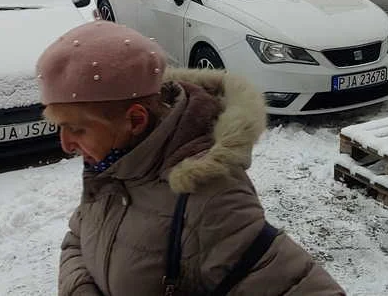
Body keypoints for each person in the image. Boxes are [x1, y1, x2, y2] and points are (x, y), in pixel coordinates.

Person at [37, 21, 344, 296]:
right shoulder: (111, 165)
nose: (66, 144)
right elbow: (77, 239)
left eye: (76, 128)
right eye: (60, 127)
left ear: (135, 120)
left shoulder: (209, 197)